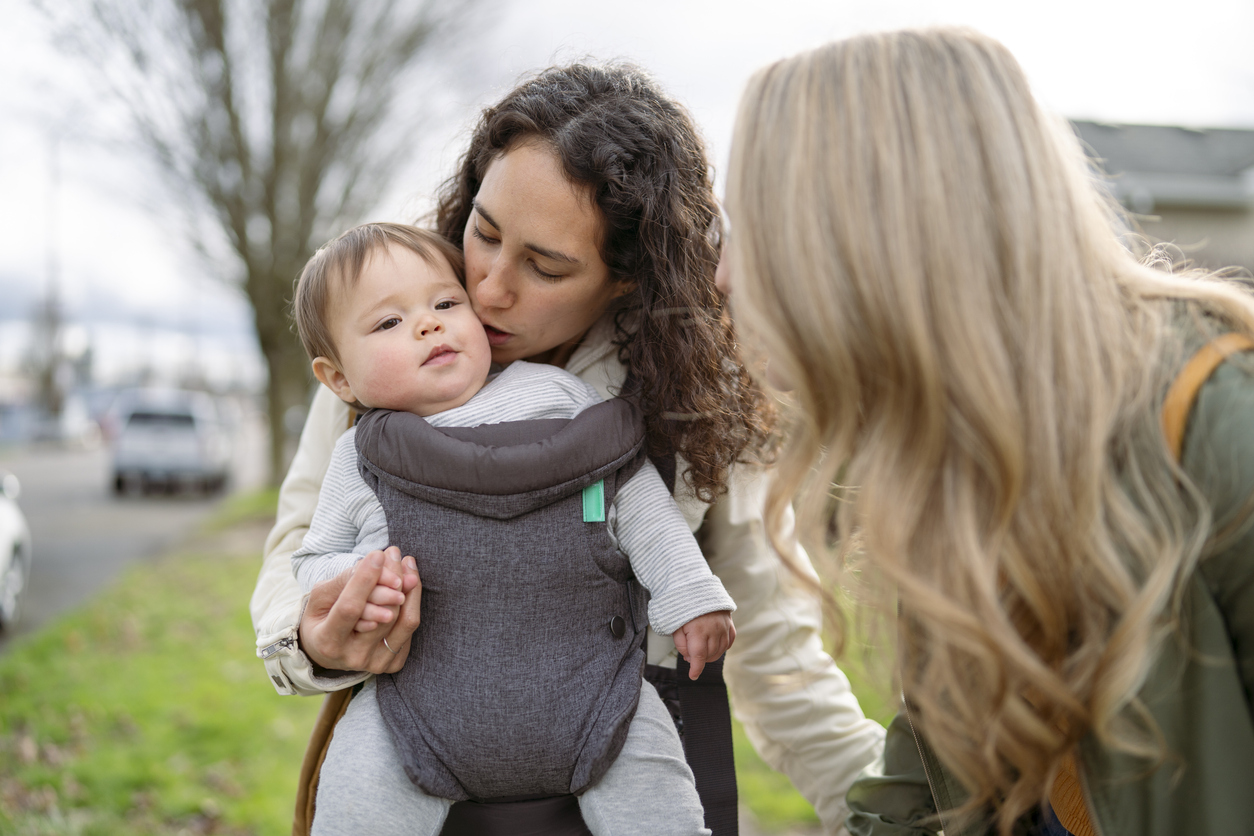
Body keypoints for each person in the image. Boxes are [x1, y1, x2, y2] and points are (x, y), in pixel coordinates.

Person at [251, 62, 886, 834]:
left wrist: (892, 812)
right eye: (482, 233)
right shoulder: (383, 341)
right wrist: (316, 638)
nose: (486, 289)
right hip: (417, 777)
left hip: (620, 769)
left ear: (630, 279)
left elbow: (776, 649)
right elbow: (299, 552)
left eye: (546, 266)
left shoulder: (699, 393)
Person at [718, 26, 1254, 836]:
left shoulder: (1214, 420)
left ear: (867, 231)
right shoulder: (961, 474)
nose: (723, 274)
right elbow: (924, 802)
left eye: (751, 225)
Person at [287, 221, 734, 835]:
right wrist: (359, 583)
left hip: (594, 693)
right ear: (339, 380)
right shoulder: (360, 456)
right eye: (388, 323)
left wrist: (691, 594)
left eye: (446, 304)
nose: (428, 324)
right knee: (356, 793)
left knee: (658, 796)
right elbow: (314, 560)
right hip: (418, 708)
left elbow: (634, 500)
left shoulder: (558, 397)